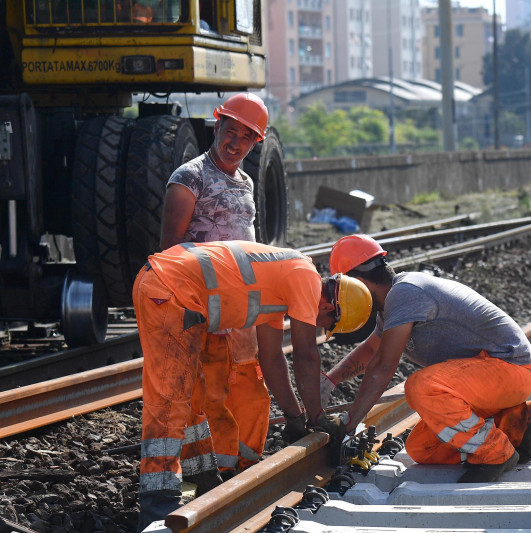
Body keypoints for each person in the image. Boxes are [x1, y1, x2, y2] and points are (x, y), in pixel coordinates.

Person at [134, 240, 372, 530]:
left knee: (192, 396)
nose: (317, 325)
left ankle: (199, 476)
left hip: (176, 289)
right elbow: (305, 355)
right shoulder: (304, 276)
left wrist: (295, 417)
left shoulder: (281, 287)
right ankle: (158, 504)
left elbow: (272, 359)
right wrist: (317, 417)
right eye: (324, 323)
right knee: (170, 399)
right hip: (169, 288)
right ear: (329, 305)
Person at [315, 234, 531, 483]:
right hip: (488, 382)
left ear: (359, 283)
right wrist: (329, 381)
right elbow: (372, 350)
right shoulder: (391, 306)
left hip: (509, 370)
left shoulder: (405, 293)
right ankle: (515, 427)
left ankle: (496, 453)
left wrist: (348, 425)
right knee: (422, 447)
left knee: (421, 387)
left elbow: (383, 366)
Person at [158, 93, 269, 485]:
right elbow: (169, 250)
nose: (235, 142)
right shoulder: (189, 178)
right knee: (204, 394)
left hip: (240, 309)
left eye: (246, 137)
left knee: (245, 386)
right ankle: (205, 473)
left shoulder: (247, 181)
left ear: (257, 142)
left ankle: (242, 465)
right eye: (231, 131)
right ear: (216, 126)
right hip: (202, 306)